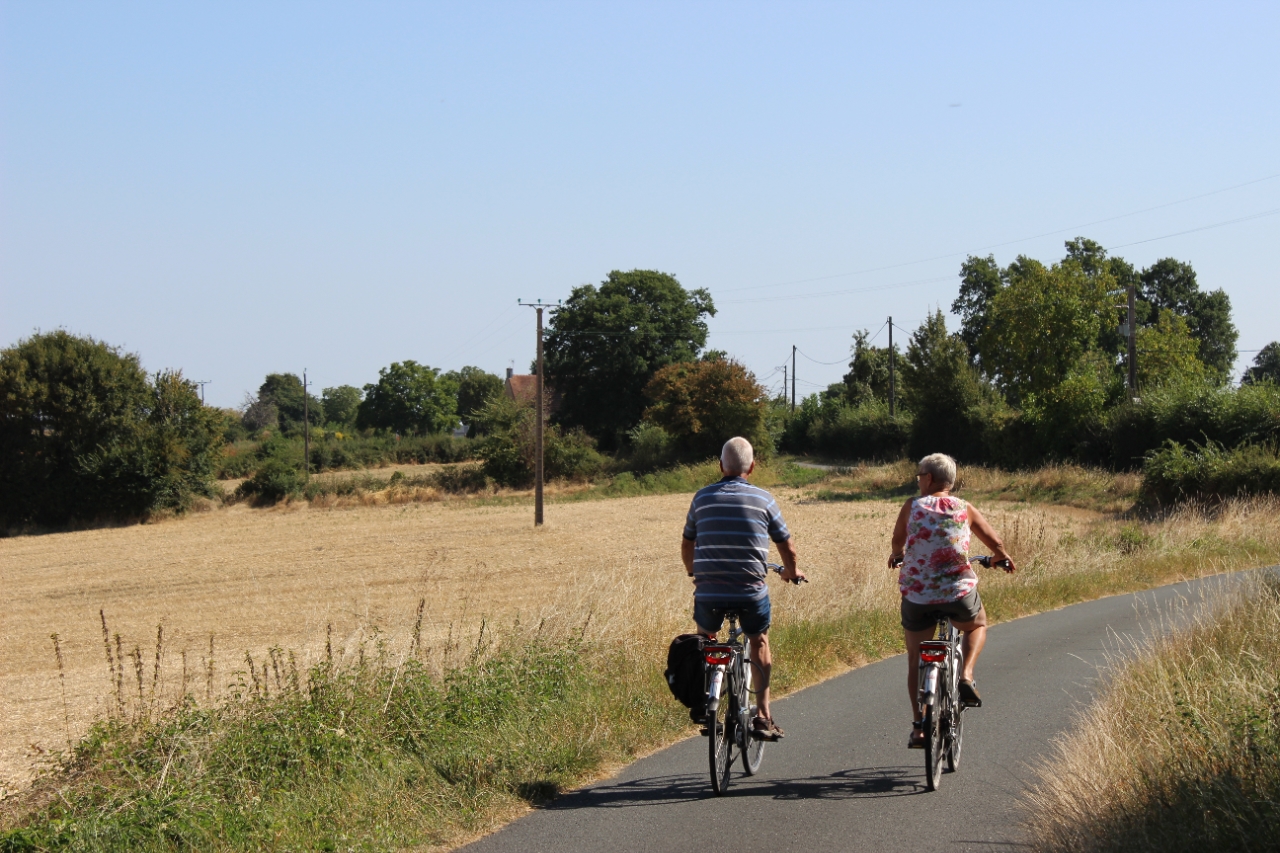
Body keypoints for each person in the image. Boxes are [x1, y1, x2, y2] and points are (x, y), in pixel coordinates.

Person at [888, 452, 1016, 749]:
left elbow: (897, 540)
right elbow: (994, 543)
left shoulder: (912, 505)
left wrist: (897, 555)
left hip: (918, 596)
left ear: (929, 478)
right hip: (957, 594)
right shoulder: (965, 507)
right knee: (977, 624)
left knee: (915, 657)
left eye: (919, 475)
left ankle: (920, 727)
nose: (918, 479)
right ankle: (967, 675)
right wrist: (1001, 558)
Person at [681, 436, 804, 740]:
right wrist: (790, 572)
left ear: (721, 465)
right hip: (750, 593)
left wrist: (693, 572)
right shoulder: (763, 499)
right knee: (759, 640)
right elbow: (786, 545)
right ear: (752, 466)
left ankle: (703, 701)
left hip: (709, 592)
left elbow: (687, 543)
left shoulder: (701, 498)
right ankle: (763, 716)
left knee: (704, 638)